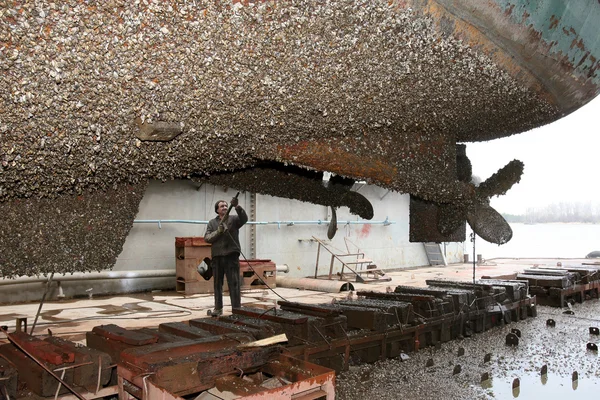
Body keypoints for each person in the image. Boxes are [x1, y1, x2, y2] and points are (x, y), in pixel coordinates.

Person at [204, 196, 248, 317]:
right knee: (217, 284)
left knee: (234, 283)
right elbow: (207, 238)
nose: (224, 207)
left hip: (231, 256)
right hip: (217, 257)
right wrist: (218, 231)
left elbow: (244, 219)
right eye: (221, 206)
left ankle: (237, 309)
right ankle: (218, 309)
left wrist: (237, 207)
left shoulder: (233, 219)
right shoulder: (212, 223)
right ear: (217, 210)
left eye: (225, 205)